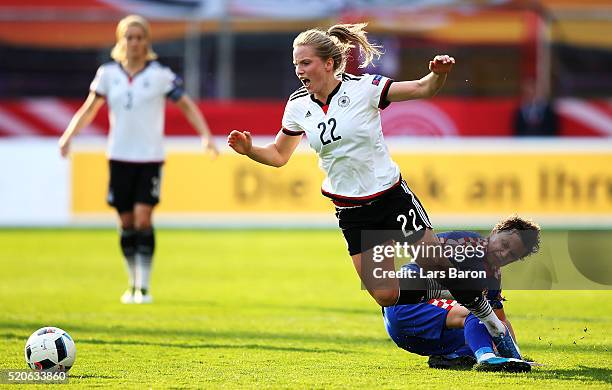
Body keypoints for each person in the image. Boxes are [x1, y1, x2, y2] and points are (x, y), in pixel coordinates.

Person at [227, 23, 517, 346]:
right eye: (295, 64)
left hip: (391, 198)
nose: (299, 70)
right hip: (351, 212)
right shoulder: (297, 106)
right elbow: (280, 155)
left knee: (432, 261)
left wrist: (438, 75)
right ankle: (457, 285)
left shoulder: (365, 88)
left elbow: (422, 88)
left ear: (328, 63)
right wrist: (249, 149)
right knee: (385, 295)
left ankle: (488, 317)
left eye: (305, 63)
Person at [58, 14, 218, 304]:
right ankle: (131, 282)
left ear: (147, 42)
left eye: (139, 37)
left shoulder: (160, 75)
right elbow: (89, 109)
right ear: (121, 41)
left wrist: (205, 136)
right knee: (126, 222)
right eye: (128, 37)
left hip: (149, 159)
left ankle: (143, 286)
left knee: (144, 219)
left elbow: (187, 105)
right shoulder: (107, 74)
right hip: (118, 157)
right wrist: (69, 136)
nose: (134, 42)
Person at [383, 215, 541, 372]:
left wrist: (516, 358)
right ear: (494, 233)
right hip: (407, 308)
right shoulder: (464, 243)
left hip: (420, 336)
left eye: (512, 255)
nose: (504, 254)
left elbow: (500, 320)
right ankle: (486, 358)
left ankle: (451, 358)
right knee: (477, 310)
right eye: (504, 244)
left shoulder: (493, 278)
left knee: (484, 332)